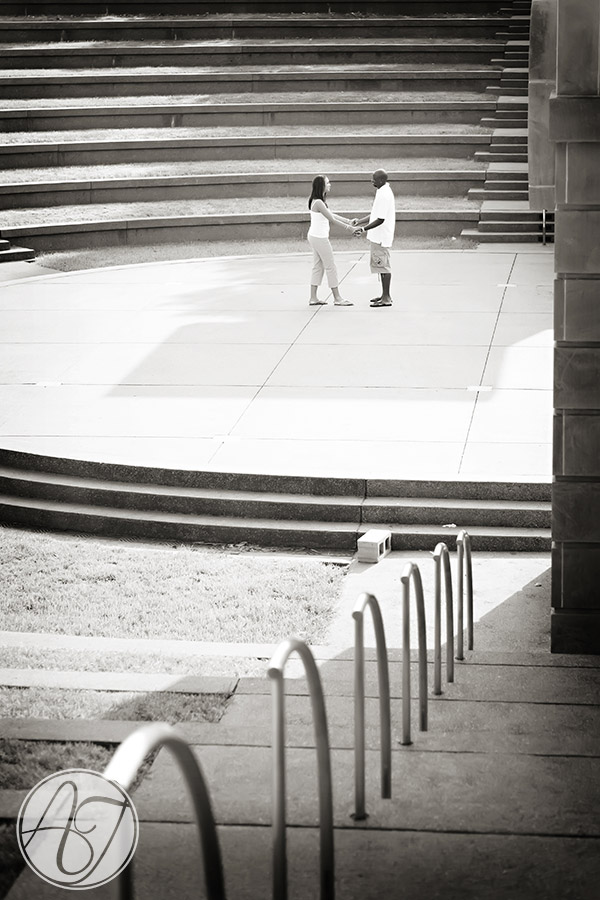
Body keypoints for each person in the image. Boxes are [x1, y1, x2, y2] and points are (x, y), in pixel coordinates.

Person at [307, 175, 355, 306]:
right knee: (330, 266)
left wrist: (348, 221)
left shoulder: (319, 201)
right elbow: (332, 220)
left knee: (318, 267)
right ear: (321, 186)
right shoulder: (318, 202)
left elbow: (331, 215)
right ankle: (337, 298)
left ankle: (313, 298)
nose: (330, 184)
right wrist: (349, 228)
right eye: (327, 183)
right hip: (319, 238)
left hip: (315, 236)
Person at [352, 169, 395, 307]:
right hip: (378, 236)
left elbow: (380, 219)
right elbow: (375, 215)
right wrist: (360, 221)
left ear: (381, 181)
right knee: (380, 265)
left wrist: (363, 229)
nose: (372, 181)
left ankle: (387, 298)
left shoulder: (384, 195)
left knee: (383, 266)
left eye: (374, 179)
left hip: (381, 236)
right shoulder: (382, 191)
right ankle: (384, 295)